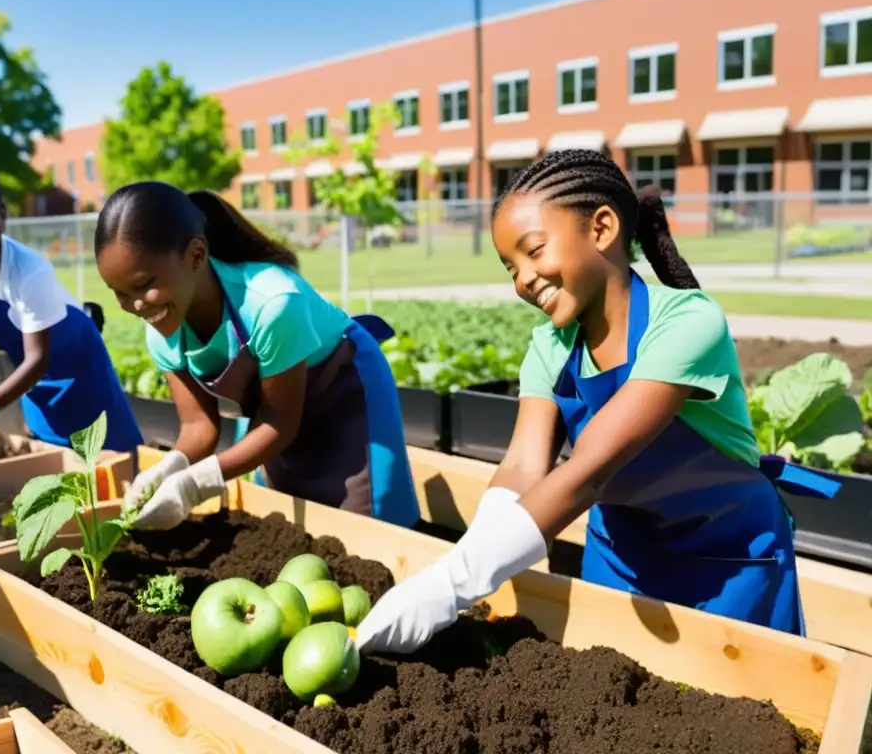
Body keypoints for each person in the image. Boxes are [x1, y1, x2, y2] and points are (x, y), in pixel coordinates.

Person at [354, 149, 839, 655]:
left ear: (602, 228)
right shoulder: (550, 346)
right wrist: (468, 557)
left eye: (534, 250)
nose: (522, 279)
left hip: (728, 560)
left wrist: (454, 582)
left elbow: (591, 468)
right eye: (509, 267)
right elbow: (522, 465)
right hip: (620, 555)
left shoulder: (688, 323)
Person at [95, 182, 420, 531]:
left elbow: (280, 423)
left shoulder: (272, 303)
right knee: (285, 524)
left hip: (343, 390)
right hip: (275, 409)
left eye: (144, 284)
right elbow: (198, 425)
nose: (137, 305)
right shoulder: (162, 329)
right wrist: (172, 466)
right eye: (121, 294)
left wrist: (194, 485)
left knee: (369, 527)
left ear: (196, 256)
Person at [0, 156, 143, 452]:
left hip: (75, 359)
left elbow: (38, 358)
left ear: (3, 214)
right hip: (28, 369)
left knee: (109, 449)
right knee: (49, 450)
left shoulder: (28, 269)